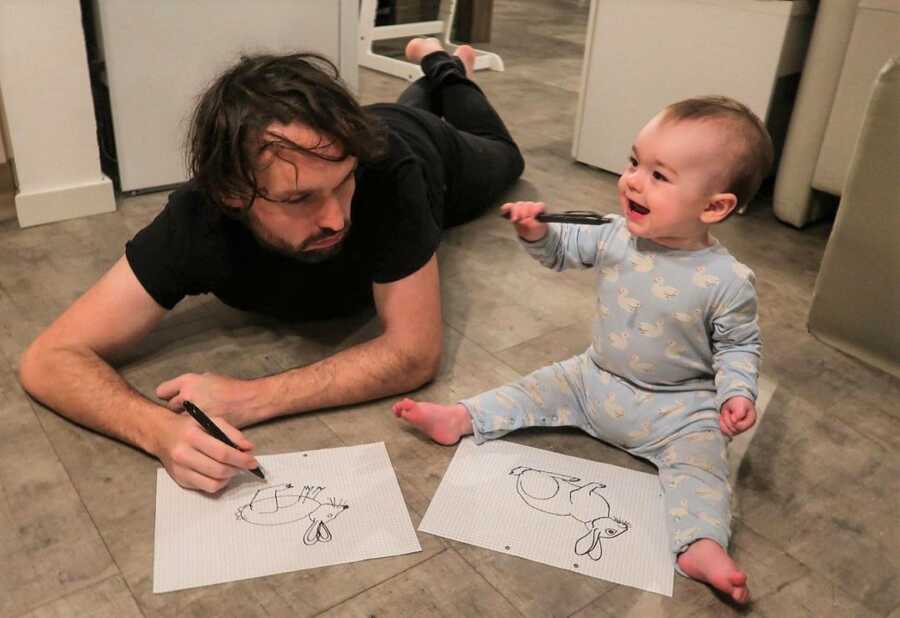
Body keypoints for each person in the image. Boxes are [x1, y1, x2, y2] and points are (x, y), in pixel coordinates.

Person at [18, 38, 523, 493]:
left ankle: (446, 65)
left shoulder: (387, 172)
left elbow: (414, 353)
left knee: (503, 152)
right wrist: (157, 430)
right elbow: (49, 359)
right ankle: (433, 75)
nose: (336, 218)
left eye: (345, 182)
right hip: (371, 130)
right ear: (231, 192)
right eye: (299, 197)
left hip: (424, 148)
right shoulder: (198, 221)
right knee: (397, 112)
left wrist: (250, 398)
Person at [393, 95, 772, 604]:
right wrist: (538, 231)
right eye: (635, 162)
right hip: (593, 381)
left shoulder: (728, 280)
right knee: (533, 387)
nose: (633, 180)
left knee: (703, 470)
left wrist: (736, 393)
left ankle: (700, 546)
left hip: (678, 411)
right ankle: (460, 418)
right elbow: (561, 250)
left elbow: (738, 345)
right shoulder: (615, 236)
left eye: (660, 176)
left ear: (714, 206)